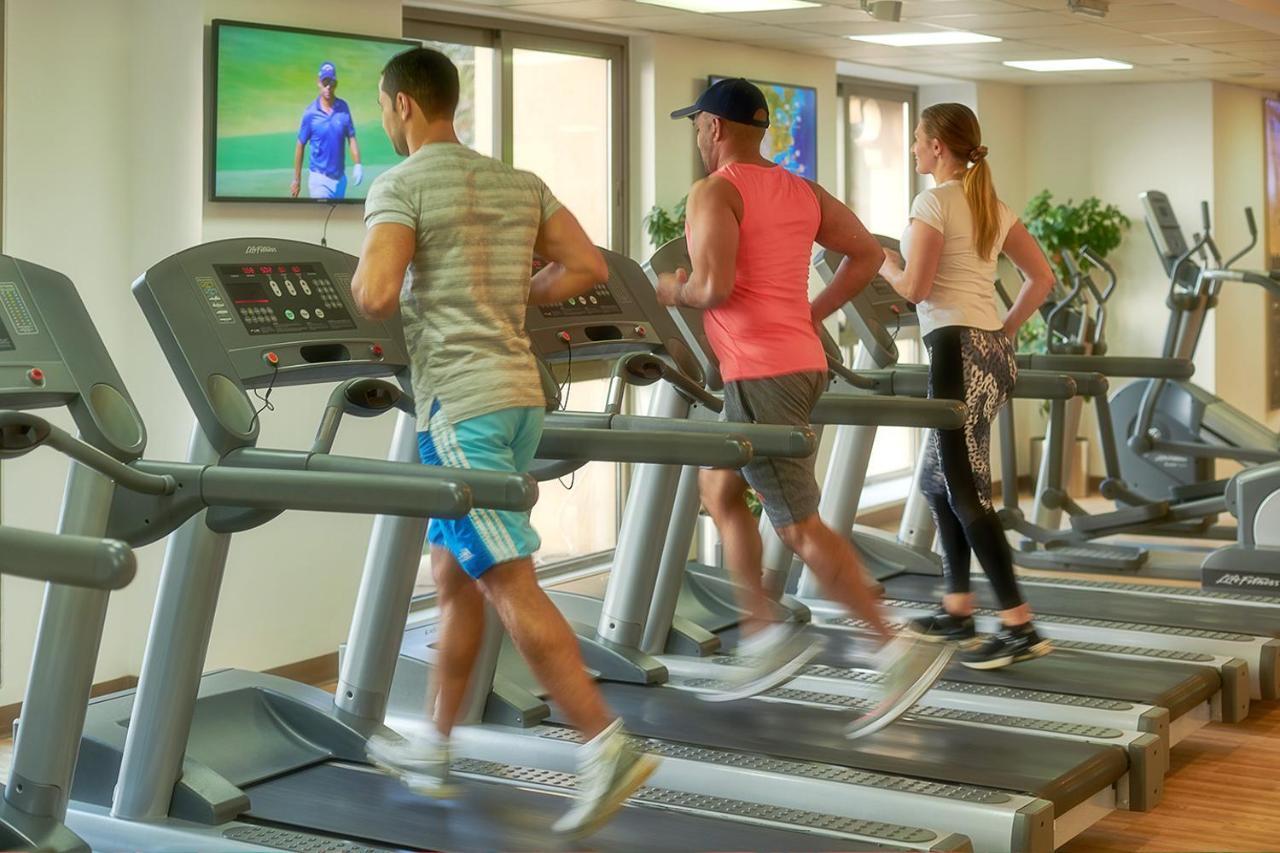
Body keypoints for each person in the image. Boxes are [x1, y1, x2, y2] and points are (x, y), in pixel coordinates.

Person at [349, 47, 657, 835]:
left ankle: (605, 743)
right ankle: (437, 744)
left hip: (461, 406)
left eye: (384, 110)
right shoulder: (520, 183)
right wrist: (518, 293)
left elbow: (378, 292)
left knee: (510, 579)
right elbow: (584, 265)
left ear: (403, 107)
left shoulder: (400, 184)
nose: (385, 121)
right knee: (456, 575)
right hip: (518, 397)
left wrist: (363, 283)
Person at [656, 78, 951, 724]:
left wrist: (670, 290)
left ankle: (892, 644)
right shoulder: (800, 189)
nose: (697, 137)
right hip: (794, 362)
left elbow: (711, 285)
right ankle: (762, 628)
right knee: (720, 489)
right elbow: (869, 254)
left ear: (713, 128)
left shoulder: (716, 191)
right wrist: (809, 311)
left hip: (762, 373)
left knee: (796, 522)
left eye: (697, 125)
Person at [877, 102, 1056, 670]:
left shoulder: (932, 202)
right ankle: (957, 608)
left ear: (936, 147)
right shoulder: (990, 204)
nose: (911, 149)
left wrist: (876, 259)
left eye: (915, 140)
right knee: (937, 482)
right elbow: (1042, 278)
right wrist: (1003, 330)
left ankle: (1018, 623)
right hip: (992, 354)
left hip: (957, 352)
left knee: (965, 490)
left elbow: (914, 287)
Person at [292, 61, 364, 199]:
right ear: (319, 83)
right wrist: (297, 179)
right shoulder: (310, 113)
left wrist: (358, 164)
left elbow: (351, 137)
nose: (328, 87)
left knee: (337, 220)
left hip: (340, 180)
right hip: (319, 179)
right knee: (322, 217)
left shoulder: (343, 107)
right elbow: (300, 145)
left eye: (332, 82)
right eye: (325, 82)